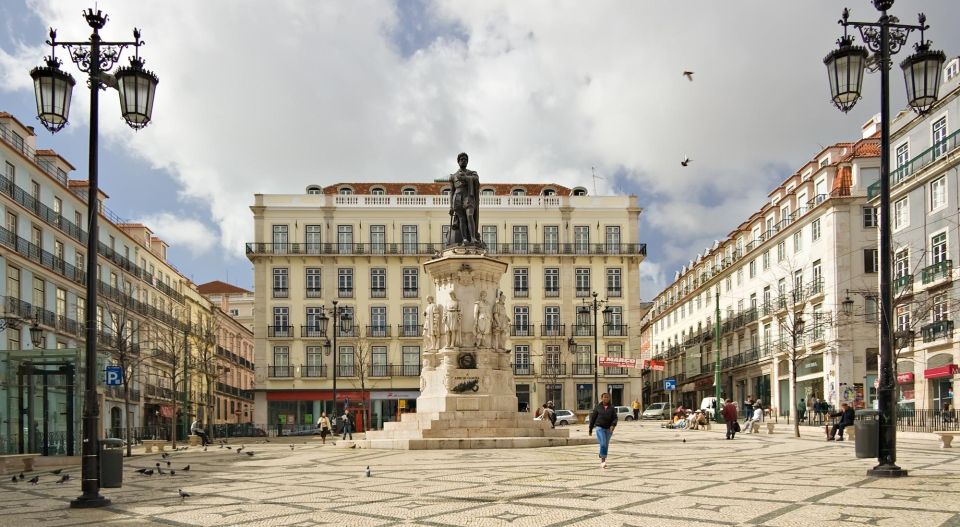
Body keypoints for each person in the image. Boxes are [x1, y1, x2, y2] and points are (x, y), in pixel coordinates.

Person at [588, 392, 618, 469]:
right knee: (603, 444)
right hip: (599, 428)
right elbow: (593, 419)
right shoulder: (598, 407)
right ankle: (603, 461)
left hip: (609, 429)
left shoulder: (612, 408)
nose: (606, 398)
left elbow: (615, 418)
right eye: (604, 397)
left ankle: (602, 455)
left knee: (606, 445)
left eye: (607, 397)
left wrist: (613, 425)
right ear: (601, 398)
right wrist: (590, 429)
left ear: (609, 398)